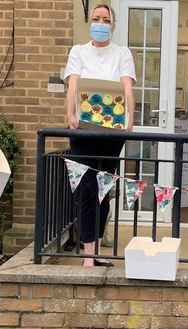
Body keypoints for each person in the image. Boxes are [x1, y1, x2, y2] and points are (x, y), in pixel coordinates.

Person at [64, 3, 136, 267]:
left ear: (112, 24)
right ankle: (88, 254)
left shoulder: (122, 53)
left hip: (111, 132)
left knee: (104, 190)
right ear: (90, 22)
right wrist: (70, 114)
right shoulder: (78, 51)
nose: (100, 23)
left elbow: (127, 87)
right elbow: (72, 85)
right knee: (85, 189)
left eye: (106, 19)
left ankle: (96, 250)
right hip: (84, 131)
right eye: (96, 18)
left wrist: (131, 119)